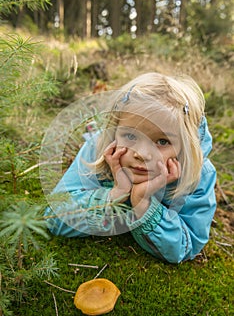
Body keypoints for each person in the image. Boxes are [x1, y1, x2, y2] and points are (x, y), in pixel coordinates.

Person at [45, 72, 217, 264]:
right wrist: (115, 195)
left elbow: (187, 246)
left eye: (162, 141)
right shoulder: (97, 148)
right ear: (114, 131)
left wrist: (143, 203)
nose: (142, 153)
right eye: (131, 136)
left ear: (185, 146)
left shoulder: (199, 174)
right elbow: (55, 217)